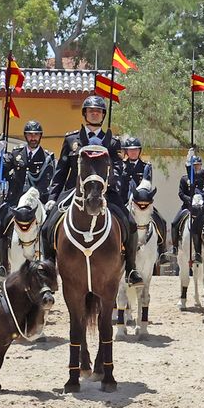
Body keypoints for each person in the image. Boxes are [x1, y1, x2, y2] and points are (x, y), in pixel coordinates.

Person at [44, 95, 141, 285]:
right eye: (91, 111)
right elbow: (61, 170)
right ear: (85, 114)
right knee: (47, 226)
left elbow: (118, 169)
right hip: (74, 191)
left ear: (103, 115)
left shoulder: (112, 142)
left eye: (98, 111)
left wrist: (114, 186)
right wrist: (53, 197)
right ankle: (49, 268)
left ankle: (131, 269)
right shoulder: (71, 139)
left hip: (105, 191)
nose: (94, 114)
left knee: (130, 224)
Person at [173, 151, 204, 268]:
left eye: (198, 165)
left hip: (203, 208)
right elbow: (181, 193)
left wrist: (203, 201)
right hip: (188, 206)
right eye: (194, 165)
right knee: (174, 222)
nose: (196, 167)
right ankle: (175, 247)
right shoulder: (185, 178)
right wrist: (190, 200)